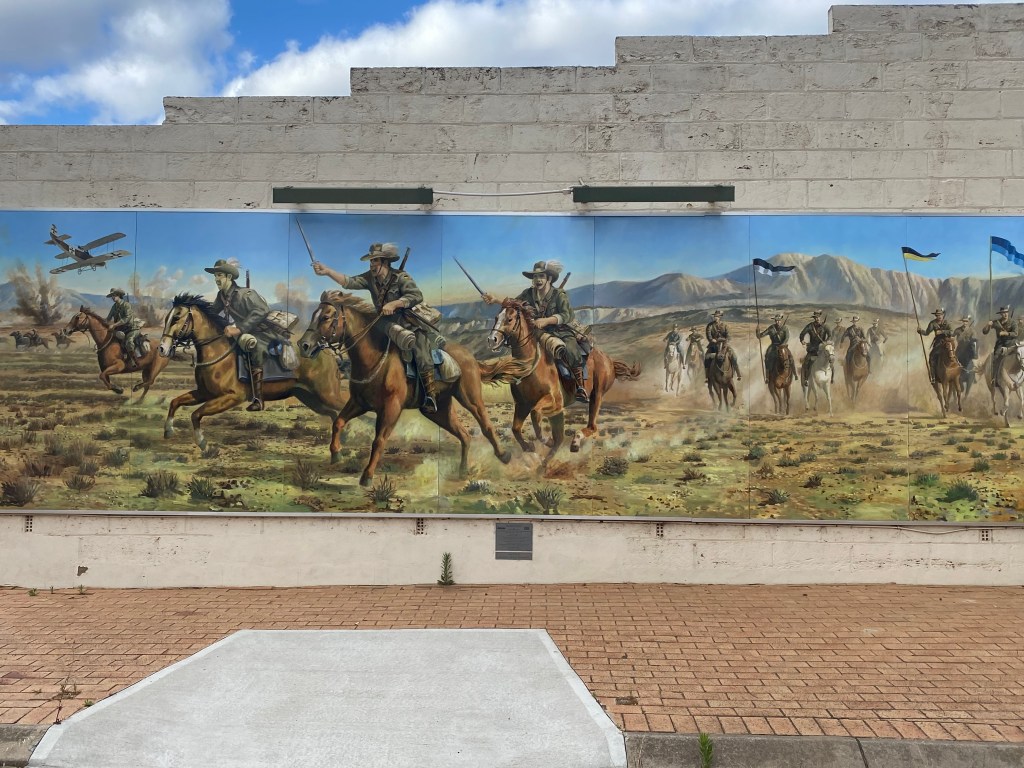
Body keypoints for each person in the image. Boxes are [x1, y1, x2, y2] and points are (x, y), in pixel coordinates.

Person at [314, 243, 441, 413]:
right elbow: (349, 282)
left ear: (386, 262)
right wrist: (327, 271)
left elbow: (416, 296)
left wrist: (395, 303)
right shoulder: (370, 278)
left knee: (420, 350)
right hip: (383, 323)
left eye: (375, 261)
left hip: (406, 322)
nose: (372, 265)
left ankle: (429, 395)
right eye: (371, 261)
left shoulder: (402, 278)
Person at [483, 260, 590, 403]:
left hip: (559, 331)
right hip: (536, 332)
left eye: (541, 277)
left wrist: (547, 320)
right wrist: (495, 299)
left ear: (549, 279)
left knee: (571, 350)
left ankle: (580, 387)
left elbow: (567, 315)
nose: (538, 280)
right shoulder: (528, 293)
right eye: (535, 277)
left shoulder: (559, 295)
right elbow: (513, 303)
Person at [205, 259, 274, 411]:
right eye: (215, 275)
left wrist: (239, 329)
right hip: (241, 333)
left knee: (255, 349)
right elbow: (212, 314)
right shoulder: (221, 296)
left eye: (220, 275)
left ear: (229, 277)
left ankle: (258, 399)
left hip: (260, 332)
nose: (216, 279)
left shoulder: (245, 294)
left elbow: (262, 310)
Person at [105, 288, 142, 362]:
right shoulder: (114, 307)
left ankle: (134, 360)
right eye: (112, 296)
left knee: (129, 341)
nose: (112, 297)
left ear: (119, 295)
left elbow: (127, 318)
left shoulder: (126, 305)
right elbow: (108, 318)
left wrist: (114, 325)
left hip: (131, 329)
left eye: (114, 295)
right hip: (120, 330)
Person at [982, 306, 1019, 380]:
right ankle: (994, 378)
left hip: (1011, 342)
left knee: (1020, 355)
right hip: (1001, 344)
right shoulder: (996, 322)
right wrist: (988, 325)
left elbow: (1015, 333)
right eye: (1003, 313)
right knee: (996, 358)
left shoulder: (1013, 322)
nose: (1005, 314)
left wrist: (1006, 333)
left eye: (1006, 312)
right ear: (1001, 314)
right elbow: (984, 332)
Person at [917, 308, 953, 384]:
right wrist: (920, 331)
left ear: (943, 315)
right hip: (938, 344)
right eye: (937, 315)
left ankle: (957, 371)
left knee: (953, 354)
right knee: (932, 358)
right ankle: (933, 377)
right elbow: (927, 333)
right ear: (935, 316)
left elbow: (951, 332)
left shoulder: (947, 323)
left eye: (940, 315)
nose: (939, 316)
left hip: (947, 342)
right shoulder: (932, 323)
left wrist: (942, 331)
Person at [705, 309, 741, 381]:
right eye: (715, 316)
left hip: (723, 345)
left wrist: (725, 340)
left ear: (720, 317)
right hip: (713, 345)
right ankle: (707, 376)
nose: (716, 318)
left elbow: (728, 335)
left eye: (717, 316)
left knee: (734, 356)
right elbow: (708, 334)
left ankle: (738, 374)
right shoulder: (710, 326)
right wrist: (712, 339)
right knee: (706, 358)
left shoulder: (725, 326)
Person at [798, 310, 832, 384]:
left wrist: (826, 342)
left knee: (831, 359)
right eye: (815, 317)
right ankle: (806, 379)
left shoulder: (825, 326)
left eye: (818, 317)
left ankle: (831, 378)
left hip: (823, 348)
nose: (817, 319)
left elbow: (830, 335)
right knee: (807, 362)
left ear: (820, 317)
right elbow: (802, 334)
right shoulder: (810, 326)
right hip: (813, 348)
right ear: (814, 318)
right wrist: (802, 340)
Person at [756, 313, 788, 380]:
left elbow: (787, 337)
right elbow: (760, 335)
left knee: (790, 357)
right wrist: (757, 331)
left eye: (779, 320)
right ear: (774, 321)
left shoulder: (784, 328)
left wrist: (783, 344)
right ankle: (767, 376)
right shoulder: (771, 328)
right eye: (776, 320)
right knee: (767, 357)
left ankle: (794, 373)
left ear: (781, 320)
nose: (777, 322)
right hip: (773, 346)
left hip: (782, 346)